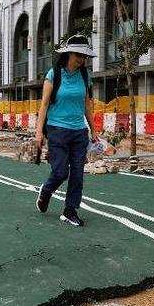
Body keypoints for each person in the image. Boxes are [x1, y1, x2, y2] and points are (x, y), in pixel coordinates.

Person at [34, 35, 98, 226]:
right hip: (57, 130)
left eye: (84, 56)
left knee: (77, 174)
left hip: (79, 132)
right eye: (79, 55)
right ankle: (46, 191)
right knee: (61, 172)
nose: (82, 59)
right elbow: (44, 105)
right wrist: (39, 132)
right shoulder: (54, 74)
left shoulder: (85, 76)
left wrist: (94, 131)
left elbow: (86, 105)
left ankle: (70, 211)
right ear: (69, 54)